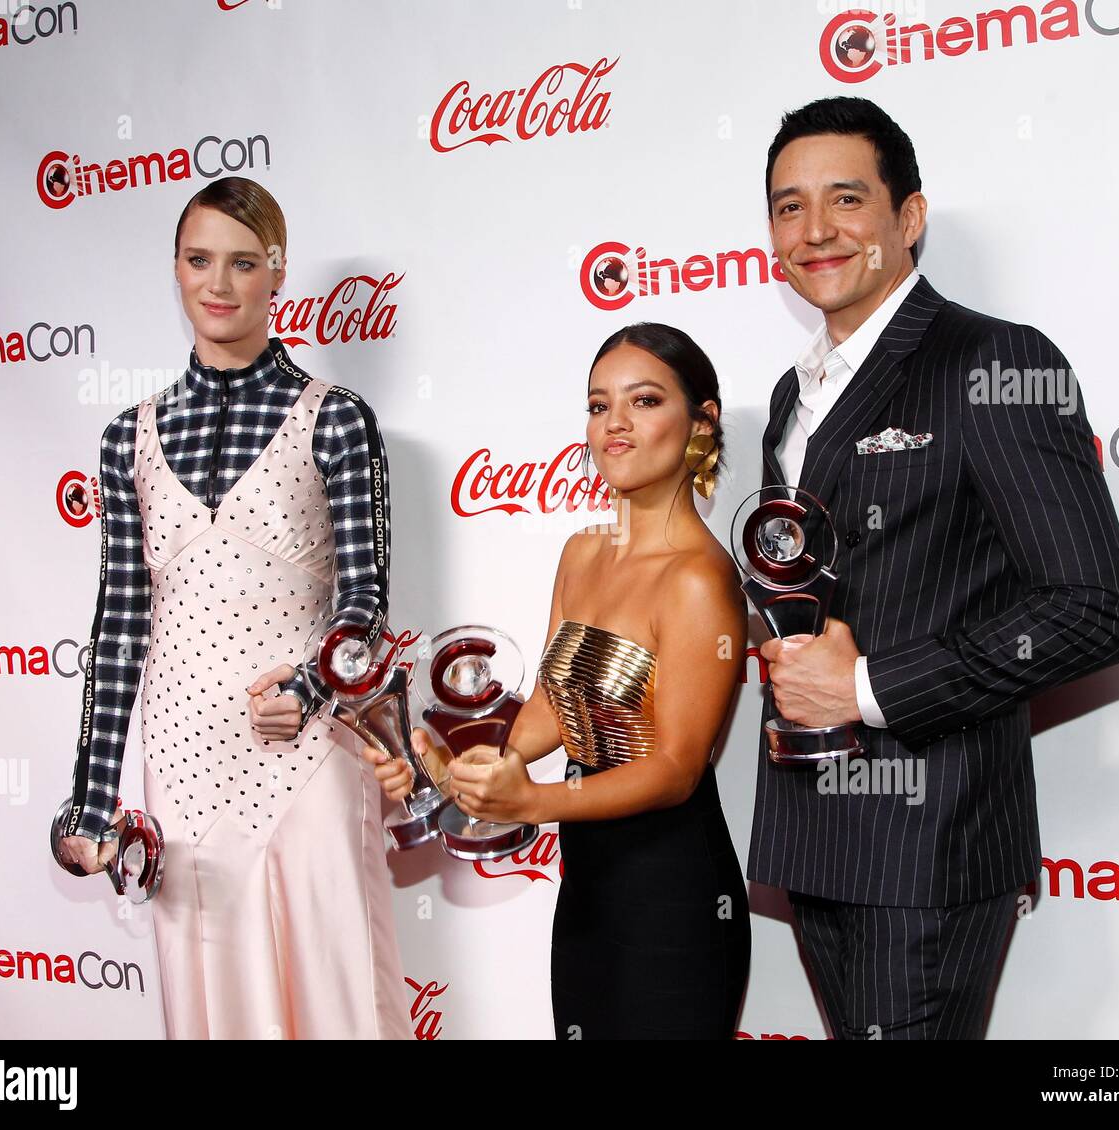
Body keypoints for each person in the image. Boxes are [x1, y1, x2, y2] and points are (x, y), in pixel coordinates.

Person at [751, 96, 1119, 1039]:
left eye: (846, 199)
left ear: (908, 217)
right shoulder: (789, 397)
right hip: (812, 833)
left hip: (932, 840)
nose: (816, 230)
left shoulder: (995, 360)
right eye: (789, 206)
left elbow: (1091, 609)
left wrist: (869, 686)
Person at [57, 176, 411, 1040]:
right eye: (199, 259)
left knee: (338, 992)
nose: (220, 284)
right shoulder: (126, 436)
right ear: (175, 271)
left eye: (243, 263)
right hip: (179, 764)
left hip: (304, 754)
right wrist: (91, 799)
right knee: (213, 1006)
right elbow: (120, 625)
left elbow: (365, 601)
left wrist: (313, 687)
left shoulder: (335, 419)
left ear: (276, 274)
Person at [363, 323, 751, 1039]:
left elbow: (675, 770)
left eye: (644, 401)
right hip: (588, 895)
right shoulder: (582, 553)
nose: (617, 426)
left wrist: (535, 800)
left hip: (675, 899)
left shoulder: (700, 580)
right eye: (599, 406)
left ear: (702, 422)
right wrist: (453, 769)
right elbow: (549, 707)